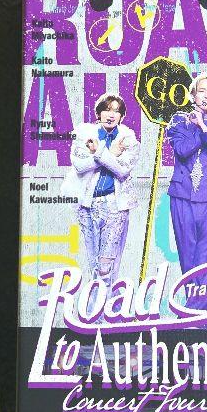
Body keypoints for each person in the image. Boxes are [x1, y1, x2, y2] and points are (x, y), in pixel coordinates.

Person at [165, 73, 207, 309]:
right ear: (193, 95)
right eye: (201, 90)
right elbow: (182, 150)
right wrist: (203, 128)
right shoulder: (178, 121)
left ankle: (196, 314)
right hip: (182, 196)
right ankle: (198, 312)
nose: (206, 95)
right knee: (188, 257)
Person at [64, 93, 141, 290]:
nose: (111, 114)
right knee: (94, 265)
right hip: (87, 206)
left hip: (114, 206)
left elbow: (122, 171)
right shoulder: (84, 133)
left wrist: (98, 153)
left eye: (116, 111)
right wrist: (110, 154)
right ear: (98, 113)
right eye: (107, 109)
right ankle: (96, 306)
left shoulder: (128, 139)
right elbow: (79, 166)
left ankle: (107, 304)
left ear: (121, 116)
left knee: (106, 265)